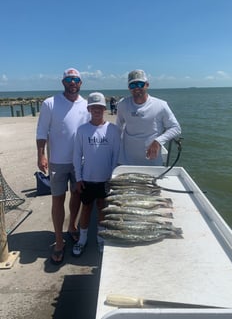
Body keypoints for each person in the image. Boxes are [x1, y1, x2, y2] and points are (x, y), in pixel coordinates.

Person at [36, 68, 91, 264]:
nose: (72, 82)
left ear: (81, 83)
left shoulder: (86, 105)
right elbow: (41, 131)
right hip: (57, 162)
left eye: (76, 79)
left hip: (80, 162)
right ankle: (59, 240)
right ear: (63, 82)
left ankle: (72, 227)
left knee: (77, 195)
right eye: (69, 79)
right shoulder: (50, 103)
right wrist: (41, 155)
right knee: (57, 200)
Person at [72, 92, 120, 255]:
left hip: (105, 180)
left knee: (102, 209)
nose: (97, 110)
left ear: (105, 109)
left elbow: (115, 155)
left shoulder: (113, 130)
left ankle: (101, 239)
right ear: (89, 109)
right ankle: (82, 239)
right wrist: (78, 178)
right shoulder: (82, 130)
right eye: (93, 107)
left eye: (100, 107)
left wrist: (111, 177)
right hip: (87, 179)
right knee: (85, 209)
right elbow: (77, 156)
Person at [116, 69, 181, 166]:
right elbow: (118, 127)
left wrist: (158, 141)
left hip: (152, 162)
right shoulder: (122, 104)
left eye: (140, 84)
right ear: (129, 88)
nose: (136, 88)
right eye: (132, 85)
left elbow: (176, 128)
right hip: (126, 161)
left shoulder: (161, 105)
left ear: (147, 85)